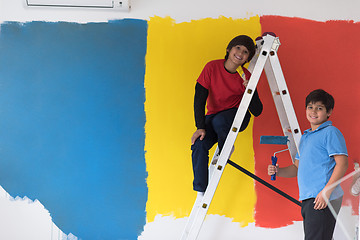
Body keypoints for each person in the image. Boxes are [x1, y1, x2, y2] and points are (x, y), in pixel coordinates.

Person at [268, 89, 348, 240]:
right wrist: (278, 171)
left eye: (320, 108)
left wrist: (326, 192)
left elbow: (342, 164)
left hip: (323, 197)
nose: (314, 111)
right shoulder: (305, 138)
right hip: (309, 197)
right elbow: (296, 168)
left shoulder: (330, 132)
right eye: (310, 107)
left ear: (329, 112)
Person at [191, 35, 263, 197]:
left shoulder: (245, 76)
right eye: (238, 48)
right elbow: (199, 99)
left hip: (238, 117)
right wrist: (200, 127)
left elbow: (258, 111)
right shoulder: (211, 67)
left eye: (245, 52)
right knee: (199, 145)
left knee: (220, 121)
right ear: (229, 49)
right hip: (214, 118)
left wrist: (248, 90)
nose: (240, 53)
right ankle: (201, 190)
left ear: (247, 58)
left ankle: (226, 148)